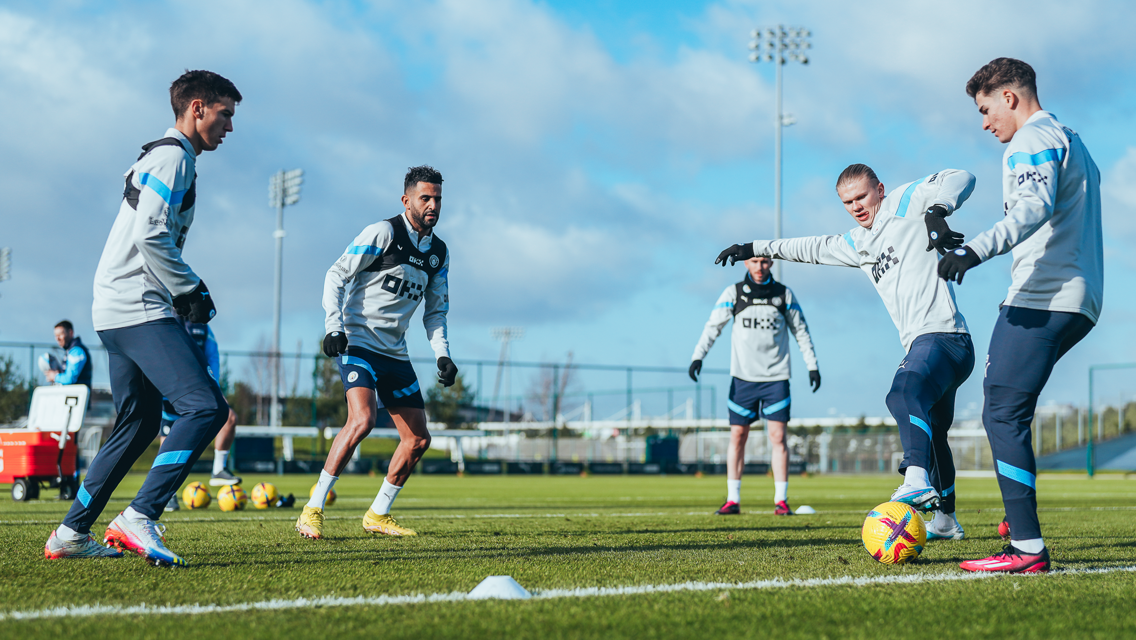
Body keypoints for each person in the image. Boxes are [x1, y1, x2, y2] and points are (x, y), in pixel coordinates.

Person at [716, 164, 977, 540]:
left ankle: (915, 478)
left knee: (902, 392)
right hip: (936, 345)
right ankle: (946, 521)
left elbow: (962, 176)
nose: (856, 206)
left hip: (943, 337)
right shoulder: (858, 242)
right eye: (847, 202)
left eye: (862, 197)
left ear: (880, 189)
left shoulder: (905, 201)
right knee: (934, 434)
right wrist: (753, 248)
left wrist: (937, 212)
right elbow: (810, 247)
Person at [45, 70, 241, 565]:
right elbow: (151, 235)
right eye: (225, 115)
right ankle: (140, 516)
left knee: (138, 422)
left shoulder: (161, 155)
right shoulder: (175, 157)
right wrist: (189, 288)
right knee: (205, 407)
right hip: (138, 305)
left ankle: (70, 533)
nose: (229, 127)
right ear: (197, 108)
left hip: (114, 307)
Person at [938, 59, 1102, 573]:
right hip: (1078, 298)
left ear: (1010, 97)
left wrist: (972, 252)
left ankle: (1027, 549)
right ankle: (1017, 524)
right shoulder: (1069, 136)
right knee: (1010, 408)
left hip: (1042, 297)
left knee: (1001, 410)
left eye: (986, 110)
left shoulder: (1031, 140)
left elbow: (1030, 209)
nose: (985, 123)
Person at [296, 165, 457, 540]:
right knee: (363, 420)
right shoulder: (384, 233)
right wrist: (333, 326)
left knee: (418, 439)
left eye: (437, 199)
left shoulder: (439, 254)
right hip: (358, 342)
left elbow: (436, 312)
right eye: (425, 198)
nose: (433, 205)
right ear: (407, 201)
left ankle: (378, 514)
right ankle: (312, 508)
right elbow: (336, 274)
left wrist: (442, 355)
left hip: (395, 354)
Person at [689, 255, 820, 516]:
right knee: (738, 436)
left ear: (771, 264)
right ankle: (732, 499)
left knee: (778, 438)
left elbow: (801, 331)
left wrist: (812, 365)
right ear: (745, 264)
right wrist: (697, 356)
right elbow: (712, 327)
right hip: (743, 379)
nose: (760, 267)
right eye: (754, 261)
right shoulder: (733, 293)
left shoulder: (784, 294)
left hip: (776, 379)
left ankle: (781, 501)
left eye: (764, 261)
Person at [159, 319, 241, 512]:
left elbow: (212, 356)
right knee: (168, 442)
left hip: (199, 387)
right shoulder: (165, 318)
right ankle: (167, 493)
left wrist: (214, 385)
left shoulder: (204, 327)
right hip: (170, 389)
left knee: (229, 417)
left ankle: (219, 469)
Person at [46, 320, 92, 388]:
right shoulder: (70, 351)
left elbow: (70, 379)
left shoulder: (77, 351)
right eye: (55, 336)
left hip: (77, 396)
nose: (57, 339)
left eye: (60, 335)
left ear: (70, 333)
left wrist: (55, 377)